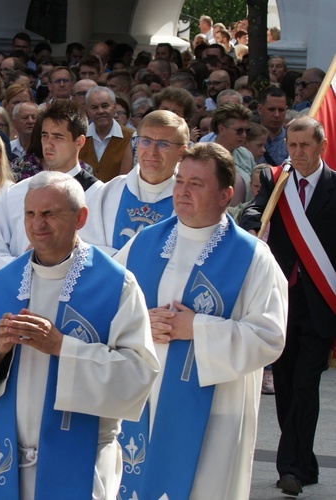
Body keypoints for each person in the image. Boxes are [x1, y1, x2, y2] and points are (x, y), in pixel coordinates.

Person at [0, 171, 158, 498]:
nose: (37, 223)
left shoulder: (116, 284)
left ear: (81, 217)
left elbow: (139, 372)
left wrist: (63, 347)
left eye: (49, 213)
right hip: (9, 458)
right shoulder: (4, 282)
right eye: (31, 214)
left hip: (82, 456)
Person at [115, 142, 286, 499]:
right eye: (180, 181)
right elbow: (109, 307)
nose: (183, 191)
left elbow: (270, 336)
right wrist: (141, 321)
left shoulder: (253, 257)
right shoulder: (145, 242)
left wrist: (198, 329)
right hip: (143, 400)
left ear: (226, 195)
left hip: (215, 411)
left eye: (196, 183)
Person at [240, 116, 336, 495]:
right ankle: (304, 461)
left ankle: (290, 467)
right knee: (284, 384)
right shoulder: (276, 179)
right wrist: (250, 226)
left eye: (305, 146)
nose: (297, 153)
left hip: (320, 302)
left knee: (305, 382)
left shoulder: (334, 186)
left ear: (321, 147)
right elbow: (254, 209)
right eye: (292, 146)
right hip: (280, 299)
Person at [0, 99, 100, 280]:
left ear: (80, 141)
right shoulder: (17, 192)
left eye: (58, 137)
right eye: (45, 135)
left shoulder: (99, 194)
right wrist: (27, 264)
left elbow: (110, 254)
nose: (49, 144)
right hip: (23, 292)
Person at [83, 110, 187, 256]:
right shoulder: (108, 192)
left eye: (163, 144)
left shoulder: (188, 200)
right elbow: (86, 245)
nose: (152, 152)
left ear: (181, 153)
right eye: (146, 141)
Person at [80, 86, 132, 182]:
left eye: (105, 106)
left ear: (114, 107)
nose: (100, 111)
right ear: (87, 110)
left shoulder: (131, 137)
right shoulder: (78, 137)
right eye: (94, 107)